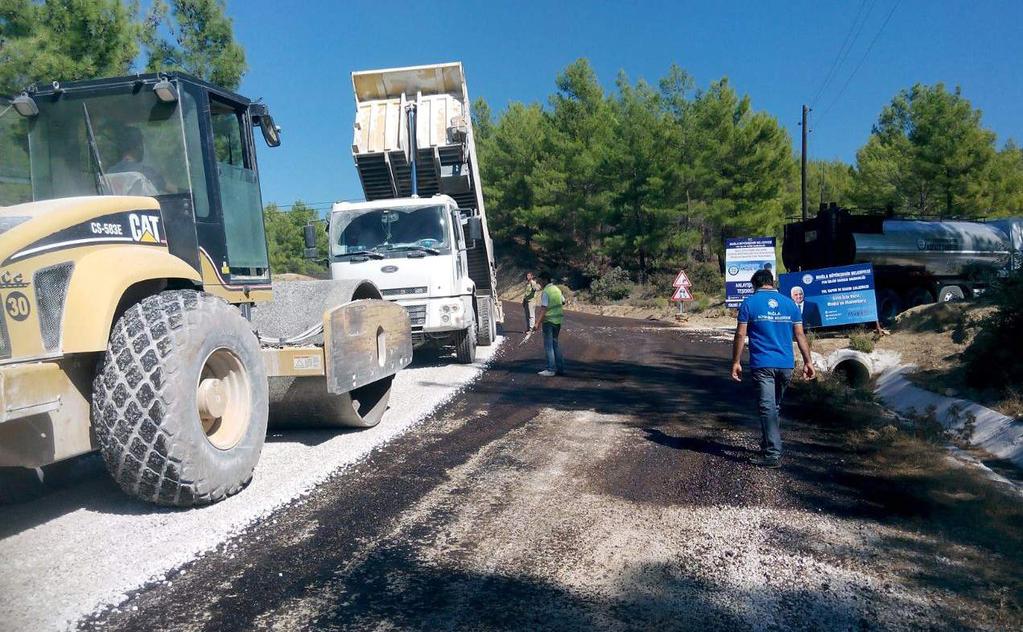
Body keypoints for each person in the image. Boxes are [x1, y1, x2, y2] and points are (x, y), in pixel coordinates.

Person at [731, 269, 815, 467]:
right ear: (772, 282)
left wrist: (736, 361)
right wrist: (808, 361)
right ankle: (769, 444)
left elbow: (741, 335)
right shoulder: (790, 304)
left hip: (763, 364)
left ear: (755, 285)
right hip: (786, 364)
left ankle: (772, 454)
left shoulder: (749, 303)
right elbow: (800, 335)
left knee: (767, 407)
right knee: (773, 407)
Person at [533, 271, 564, 377]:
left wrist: (537, 323)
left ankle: (551, 369)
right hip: (558, 321)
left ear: (545, 280)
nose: (539, 283)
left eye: (540, 281)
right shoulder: (557, 289)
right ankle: (560, 368)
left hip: (549, 321)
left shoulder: (546, 291)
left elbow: (544, 308)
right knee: (555, 344)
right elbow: (563, 301)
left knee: (548, 346)